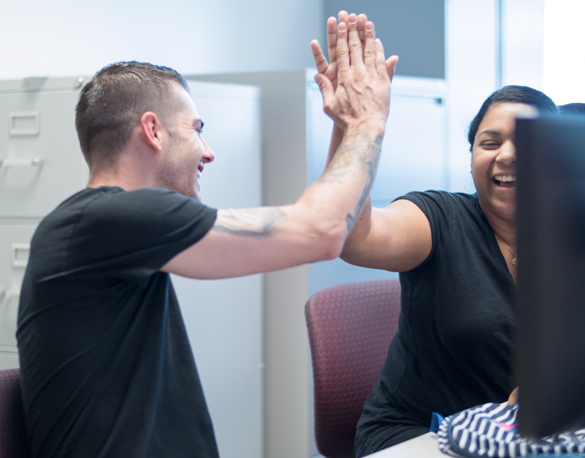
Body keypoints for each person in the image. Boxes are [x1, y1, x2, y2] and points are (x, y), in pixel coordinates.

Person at [16, 17, 395, 458]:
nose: (209, 151)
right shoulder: (109, 218)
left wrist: (346, 124)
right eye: (197, 129)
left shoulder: (104, 225)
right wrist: (368, 122)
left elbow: (328, 225)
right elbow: (322, 232)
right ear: (153, 130)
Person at [311, 23, 559, 455]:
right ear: (472, 157)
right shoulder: (439, 219)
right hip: (420, 436)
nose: (507, 155)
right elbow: (353, 235)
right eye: (489, 142)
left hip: (523, 437)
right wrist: (356, 128)